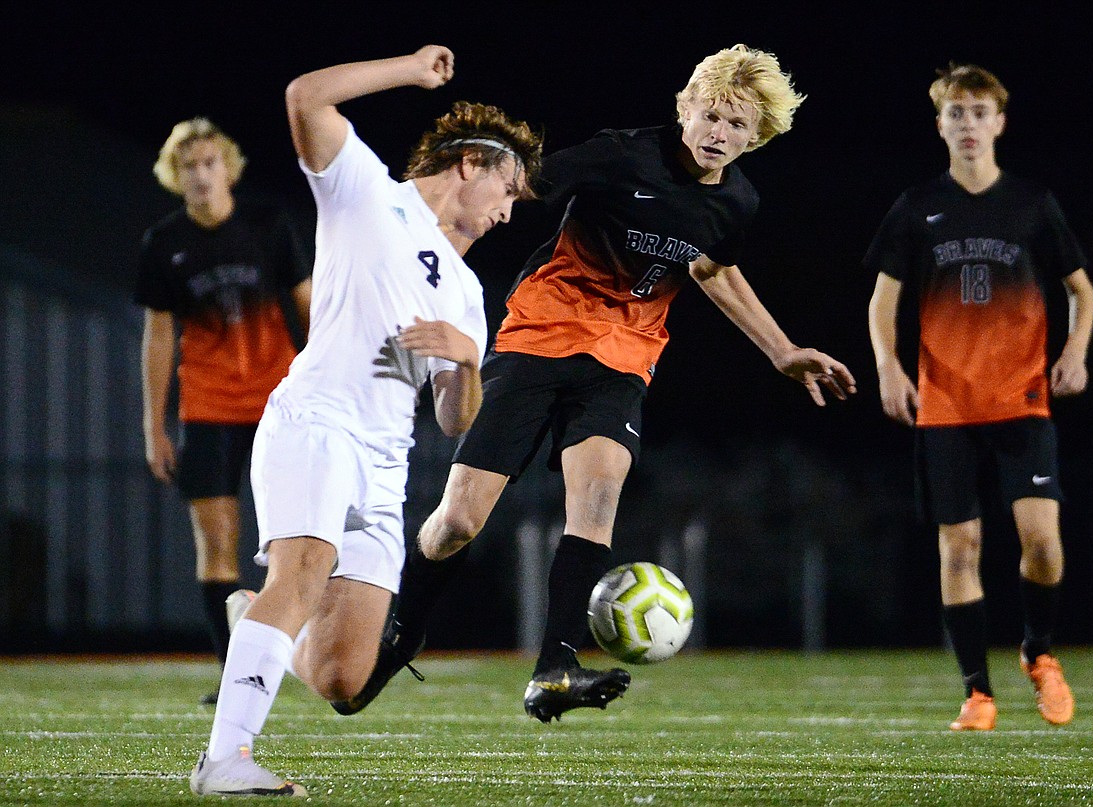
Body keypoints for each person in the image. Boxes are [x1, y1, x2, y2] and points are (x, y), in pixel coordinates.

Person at [335, 43, 857, 724]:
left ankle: (553, 665)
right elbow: (516, 183)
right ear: (685, 107)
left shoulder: (737, 200)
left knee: (599, 492)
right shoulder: (623, 156)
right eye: (711, 116)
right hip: (541, 334)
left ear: (758, 137)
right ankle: (407, 627)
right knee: (459, 520)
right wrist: (425, 234)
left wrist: (782, 350)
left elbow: (713, 270)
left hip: (623, 358)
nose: (719, 135)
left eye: (738, 127)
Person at [188, 45, 543, 797]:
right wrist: (411, 70)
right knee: (305, 571)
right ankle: (226, 759)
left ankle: (252, 614)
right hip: (317, 421)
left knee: (344, 677)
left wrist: (468, 364)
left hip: (384, 466)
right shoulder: (368, 193)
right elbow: (305, 95)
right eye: (508, 187)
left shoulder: (471, 294)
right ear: (469, 164)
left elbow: (455, 420)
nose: (510, 209)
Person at [865, 63, 1093, 731]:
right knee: (959, 544)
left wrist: (1075, 350)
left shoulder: (1032, 203)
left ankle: (1038, 650)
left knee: (1042, 543)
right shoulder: (916, 206)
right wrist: (887, 366)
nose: (968, 124)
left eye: (978, 112)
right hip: (945, 404)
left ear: (999, 121)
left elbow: (1082, 289)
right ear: (940, 124)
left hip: (1022, 398)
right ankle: (976, 691)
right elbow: (884, 301)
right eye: (955, 113)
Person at [135, 118, 312, 705]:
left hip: (279, 404)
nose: (201, 175)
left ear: (229, 168)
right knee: (216, 544)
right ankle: (233, 671)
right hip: (208, 407)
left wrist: (326, 389)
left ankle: (310, 651)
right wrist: (153, 423)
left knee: (297, 539)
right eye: (189, 166)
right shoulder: (164, 243)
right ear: (173, 176)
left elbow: (311, 309)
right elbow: (159, 336)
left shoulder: (269, 225)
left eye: (210, 163)